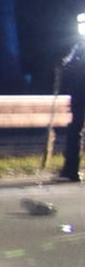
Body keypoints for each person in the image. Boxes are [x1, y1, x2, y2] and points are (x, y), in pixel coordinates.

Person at [59, 13, 85, 182]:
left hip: (80, 92)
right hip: (80, 93)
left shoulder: (79, 47)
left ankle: (71, 168)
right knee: (75, 129)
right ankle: (70, 168)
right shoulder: (79, 46)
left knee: (75, 129)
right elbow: (66, 65)